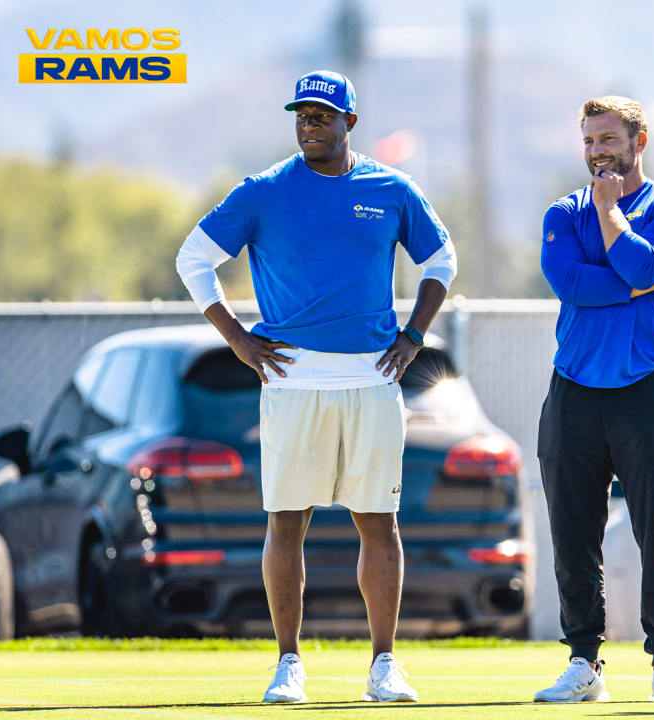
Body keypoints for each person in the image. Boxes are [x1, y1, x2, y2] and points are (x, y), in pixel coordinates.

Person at [174, 70, 456, 704]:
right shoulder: (264, 190)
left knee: (378, 521)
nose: (310, 124)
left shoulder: (390, 188)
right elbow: (192, 258)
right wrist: (238, 339)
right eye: (302, 114)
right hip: (291, 379)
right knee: (286, 521)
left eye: (323, 115)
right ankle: (288, 664)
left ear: (349, 123)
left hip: (373, 379)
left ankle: (384, 663)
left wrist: (414, 335)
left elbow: (441, 261)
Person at [533, 96, 654, 704]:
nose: (597, 151)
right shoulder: (561, 212)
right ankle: (584, 663)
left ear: (638, 142)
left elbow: (639, 257)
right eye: (589, 141)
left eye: (607, 139)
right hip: (574, 388)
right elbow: (571, 283)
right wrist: (653, 283)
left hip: (647, 387)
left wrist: (612, 219)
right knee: (573, 533)